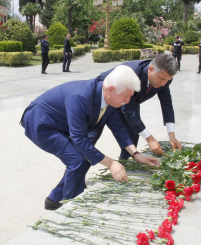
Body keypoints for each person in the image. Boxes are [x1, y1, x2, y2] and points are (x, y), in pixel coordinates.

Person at [20, 65, 159, 210]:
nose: (128, 100)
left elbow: (118, 128)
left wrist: (135, 154)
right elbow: (80, 139)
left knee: (85, 158)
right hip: (41, 123)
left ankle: (54, 200)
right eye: (126, 96)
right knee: (78, 160)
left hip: (58, 123)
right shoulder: (80, 97)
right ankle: (70, 207)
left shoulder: (108, 97)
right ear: (111, 89)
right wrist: (111, 164)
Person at [93, 54, 182, 157]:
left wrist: (171, 135)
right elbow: (128, 109)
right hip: (104, 98)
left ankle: (125, 164)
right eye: (161, 79)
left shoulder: (165, 78)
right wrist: (150, 139)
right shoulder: (132, 74)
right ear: (151, 69)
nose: (163, 83)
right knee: (91, 137)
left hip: (130, 100)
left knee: (133, 134)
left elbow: (166, 103)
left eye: (167, 80)